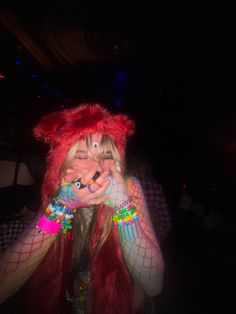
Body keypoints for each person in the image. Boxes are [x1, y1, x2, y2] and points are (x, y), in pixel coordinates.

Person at [0, 103, 164, 314]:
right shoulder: (57, 192)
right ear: (63, 165)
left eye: (106, 156)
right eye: (82, 156)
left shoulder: (127, 187)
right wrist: (60, 208)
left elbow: (154, 285)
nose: (98, 167)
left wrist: (122, 205)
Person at [126, 155, 172, 246]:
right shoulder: (155, 186)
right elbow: (166, 221)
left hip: (127, 239)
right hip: (151, 238)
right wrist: (159, 238)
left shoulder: (120, 185)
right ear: (143, 166)